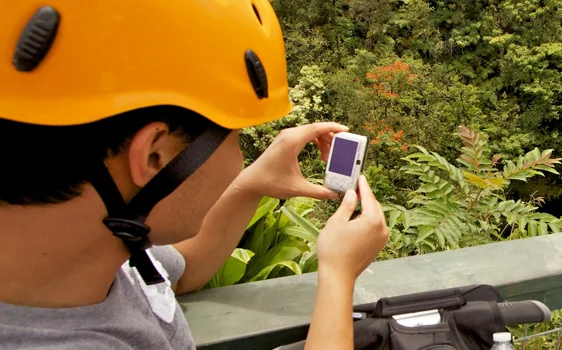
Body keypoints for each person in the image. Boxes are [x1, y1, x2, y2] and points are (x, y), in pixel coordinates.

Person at [0, 1, 389, 349]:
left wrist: (249, 185)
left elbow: (177, 275)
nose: (239, 157)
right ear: (155, 155)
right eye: (235, 137)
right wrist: (338, 275)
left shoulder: (91, 249)